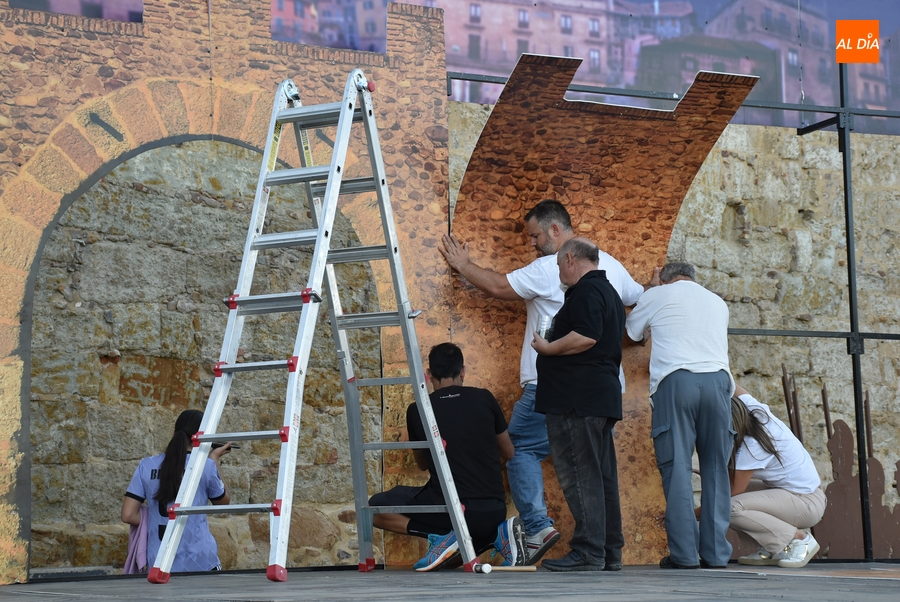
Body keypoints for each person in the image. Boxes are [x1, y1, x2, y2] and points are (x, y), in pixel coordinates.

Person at [440, 199, 645, 564]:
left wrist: (463, 265)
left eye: (535, 235)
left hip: (565, 391)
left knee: (522, 449)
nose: (532, 243)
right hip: (606, 389)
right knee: (598, 472)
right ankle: (607, 549)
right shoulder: (610, 268)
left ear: (557, 234)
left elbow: (503, 288)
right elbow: (640, 301)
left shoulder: (557, 272)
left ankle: (545, 531)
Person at [368, 343, 523, 571]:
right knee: (466, 515)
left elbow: (422, 465)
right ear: (462, 372)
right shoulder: (485, 398)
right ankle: (494, 537)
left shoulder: (418, 408)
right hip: (494, 511)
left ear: (429, 375)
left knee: (375, 508)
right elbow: (509, 452)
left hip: (451, 513)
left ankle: (441, 539)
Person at [624, 262, 734, 569]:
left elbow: (633, 333)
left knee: (678, 467)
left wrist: (651, 291)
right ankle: (716, 554)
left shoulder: (659, 294)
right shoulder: (716, 301)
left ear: (664, 278)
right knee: (715, 468)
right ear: (694, 279)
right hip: (719, 383)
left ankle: (685, 555)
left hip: (677, 381)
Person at [531, 238, 626, 571]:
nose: (560, 273)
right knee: (601, 478)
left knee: (581, 476)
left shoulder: (587, 292)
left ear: (570, 258)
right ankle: (609, 550)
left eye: (559, 265)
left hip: (576, 400)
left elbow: (586, 336)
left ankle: (589, 551)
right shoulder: (609, 293)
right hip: (598, 397)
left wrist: (548, 349)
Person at [121, 409, 232, 572]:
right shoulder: (205, 466)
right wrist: (213, 459)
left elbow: (128, 514)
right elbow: (223, 502)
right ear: (202, 436)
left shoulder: (147, 465)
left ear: (174, 432)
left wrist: (154, 519)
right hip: (199, 560)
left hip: (159, 560)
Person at [728, 384, 826, 568]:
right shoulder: (754, 411)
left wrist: (687, 516)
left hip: (806, 502)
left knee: (729, 508)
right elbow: (731, 383)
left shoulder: (751, 447)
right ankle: (775, 548)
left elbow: (727, 494)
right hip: (792, 494)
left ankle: (799, 539)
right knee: (734, 500)